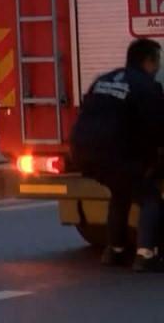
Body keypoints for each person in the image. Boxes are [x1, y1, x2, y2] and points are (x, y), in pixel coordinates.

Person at [71, 38, 164, 271]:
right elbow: (156, 128)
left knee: (121, 189)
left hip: (82, 151)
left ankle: (115, 250)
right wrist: (153, 160)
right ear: (149, 61)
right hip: (114, 152)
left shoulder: (105, 79)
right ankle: (146, 255)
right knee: (150, 195)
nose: (159, 67)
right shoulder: (146, 87)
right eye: (158, 62)